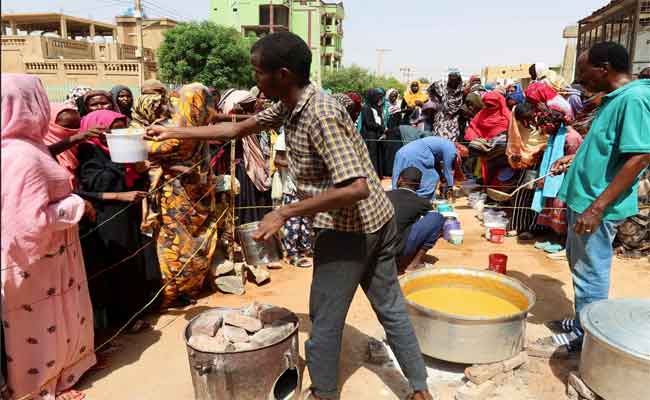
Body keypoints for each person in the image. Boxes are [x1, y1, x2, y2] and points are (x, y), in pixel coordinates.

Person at [144, 31, 433, 400]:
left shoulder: (321, 113)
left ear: (282, 74)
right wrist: (174, 129)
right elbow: (236, 128)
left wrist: (284, 210)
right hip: (377, 218)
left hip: (348, 229)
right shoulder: (290, 103)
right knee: (390, 307)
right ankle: (421, 389)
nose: (254, 79)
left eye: (258, 72)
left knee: (327, 318)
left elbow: (356, 187)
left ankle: (324, 393)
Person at [532, 42, 650, 356]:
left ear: (604, 68)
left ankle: (589, 339)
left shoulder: (635, 99)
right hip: (583, 198)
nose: (581, 80)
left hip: (595, 205)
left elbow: (639, 156)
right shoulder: (614, 99)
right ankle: (583, 321)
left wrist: (597, 208)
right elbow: (609, 146)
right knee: (580, 266)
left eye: (584, 72)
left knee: (591, 272)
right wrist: (575, 160)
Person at [2, 74, 96, 400]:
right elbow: (29, 223)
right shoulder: (20, 156)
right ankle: (39, 387)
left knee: (55, 320)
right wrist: (75, 204)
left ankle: (62, 374)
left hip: (51, 258)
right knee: (37, 326)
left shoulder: (28, 146)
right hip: (34, 262)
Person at [143, 83, 225, 309]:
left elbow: (147, 149)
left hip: (176, 195)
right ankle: (189, 288)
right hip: (200, 191)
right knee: (195, 239)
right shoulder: (203, 127)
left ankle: (172, 291)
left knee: (175, 241)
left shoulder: (171, 133)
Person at [76, 110, 155, 331]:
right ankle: (123, 319)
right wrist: (122, 161)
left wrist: (138, 170)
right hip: (107, 215)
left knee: (134, 260)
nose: (117, 133)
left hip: (128, 211)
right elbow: (96, 185)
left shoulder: (119, 148)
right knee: (118, 264)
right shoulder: (89, 151)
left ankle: (136, 312)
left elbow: (135, 180)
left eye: (122, 127)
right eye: (112, 128)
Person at [387, 167, 444, 273]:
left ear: (399, 180)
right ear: (419, 186)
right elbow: (432, 223)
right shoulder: (421, 202)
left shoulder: (384, 196)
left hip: (376, 250)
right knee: (437, 218)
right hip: (398, 251)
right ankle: (414, 264)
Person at [392, 136, 457, 200]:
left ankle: (396, 198)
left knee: (399, 177)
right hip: (416, 155)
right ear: (460, 150)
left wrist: (442, 178)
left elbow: (436, 165)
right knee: (432, 177)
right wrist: (450, 186)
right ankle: (423, 199)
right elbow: (447, 170)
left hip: (402, 152)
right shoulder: (452, 150)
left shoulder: (444, 143)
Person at [428, 69, 464, 141]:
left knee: (452, 142)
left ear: (459, 80)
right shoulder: (441, 87)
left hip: (454, 121)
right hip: (441, 118)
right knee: (438, 140)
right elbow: (430, 89)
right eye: (451, 79)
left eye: (455, 80)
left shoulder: (462, 92)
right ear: (448, 79)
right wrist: (437, 100)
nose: (453, 82)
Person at [360, 88, 385, 177]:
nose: (379, 100)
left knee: (378, 154)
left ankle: (378, 173)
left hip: (377, 134)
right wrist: (380, 127)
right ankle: (372, 175)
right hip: (370, 134)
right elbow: (369, 123)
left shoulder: (376, 107)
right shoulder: (366, 108)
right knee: (372, 154)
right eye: (377, 97)